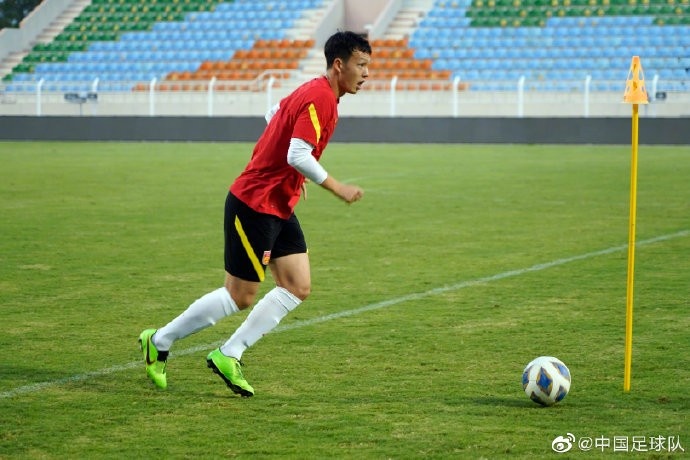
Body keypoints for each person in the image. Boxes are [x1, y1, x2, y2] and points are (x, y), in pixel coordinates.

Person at [139, 31, 372, 397]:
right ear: (339, 65)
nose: (366, 73)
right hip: (254, 204)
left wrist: (293, 175)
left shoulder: (315, 92)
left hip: (279, 205)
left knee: (297, 286)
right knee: (240, 295)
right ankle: (159, 340)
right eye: (361, 65)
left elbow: (273, 115)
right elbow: (297, 153)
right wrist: (336, 186)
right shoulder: (320, 97)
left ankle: (229, 353)